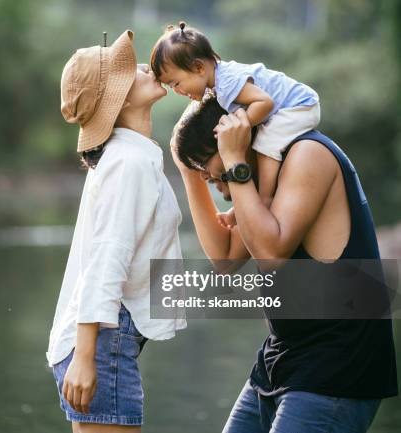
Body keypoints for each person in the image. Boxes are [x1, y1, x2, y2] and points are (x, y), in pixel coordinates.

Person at [169, 96, 398, 432]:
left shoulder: (308, 155)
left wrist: (233, 161)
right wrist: (188, 170)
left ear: (238, 136)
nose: (217, 185)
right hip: (282, 359)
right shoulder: (263, 178)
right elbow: (225, 259)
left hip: (336, 366)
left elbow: (270, 255)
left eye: (211, 170)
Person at [46, 30, 186, 433]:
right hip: (101, 341)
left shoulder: (131, 156)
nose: (147, 67)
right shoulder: (129, 163)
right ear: (119, 98)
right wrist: (86, 357)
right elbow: (105, 260)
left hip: (105, 340)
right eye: (132, 69)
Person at [150, 21, 320, 229]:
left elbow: (265, 102)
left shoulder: (227, 84)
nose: (176, 91)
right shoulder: (219, 83)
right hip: (292, 107)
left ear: (199, 67)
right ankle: (247, 207)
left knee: (265, 145)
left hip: (298, 106)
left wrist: (240, 127)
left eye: (176, 83)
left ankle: (264, 201)